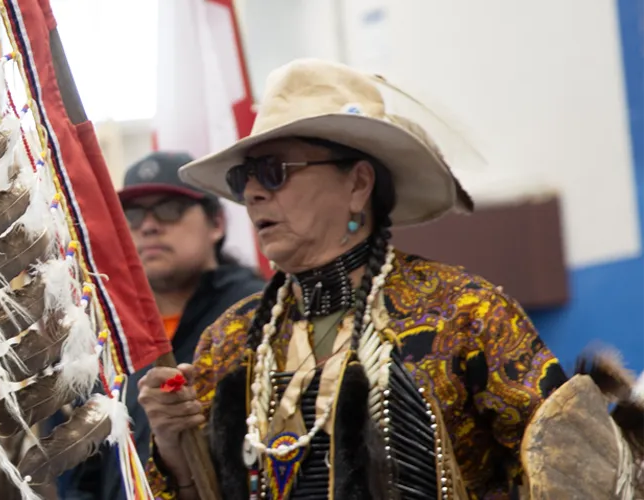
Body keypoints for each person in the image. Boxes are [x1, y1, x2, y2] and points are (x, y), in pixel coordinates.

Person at [137, 59, 566, 499]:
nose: (252, 193)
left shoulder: (465, 314)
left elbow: (572, 468)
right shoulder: (229, 339)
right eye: (242, 176)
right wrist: (172, 444)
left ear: (358, 185)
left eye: (274, 171)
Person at [69, 151, 265, 498]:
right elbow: (81, 471)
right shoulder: (101, 335)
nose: (149, 225)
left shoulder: (259, 314)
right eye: (132, 214)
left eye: (171, 209)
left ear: (216, 224)